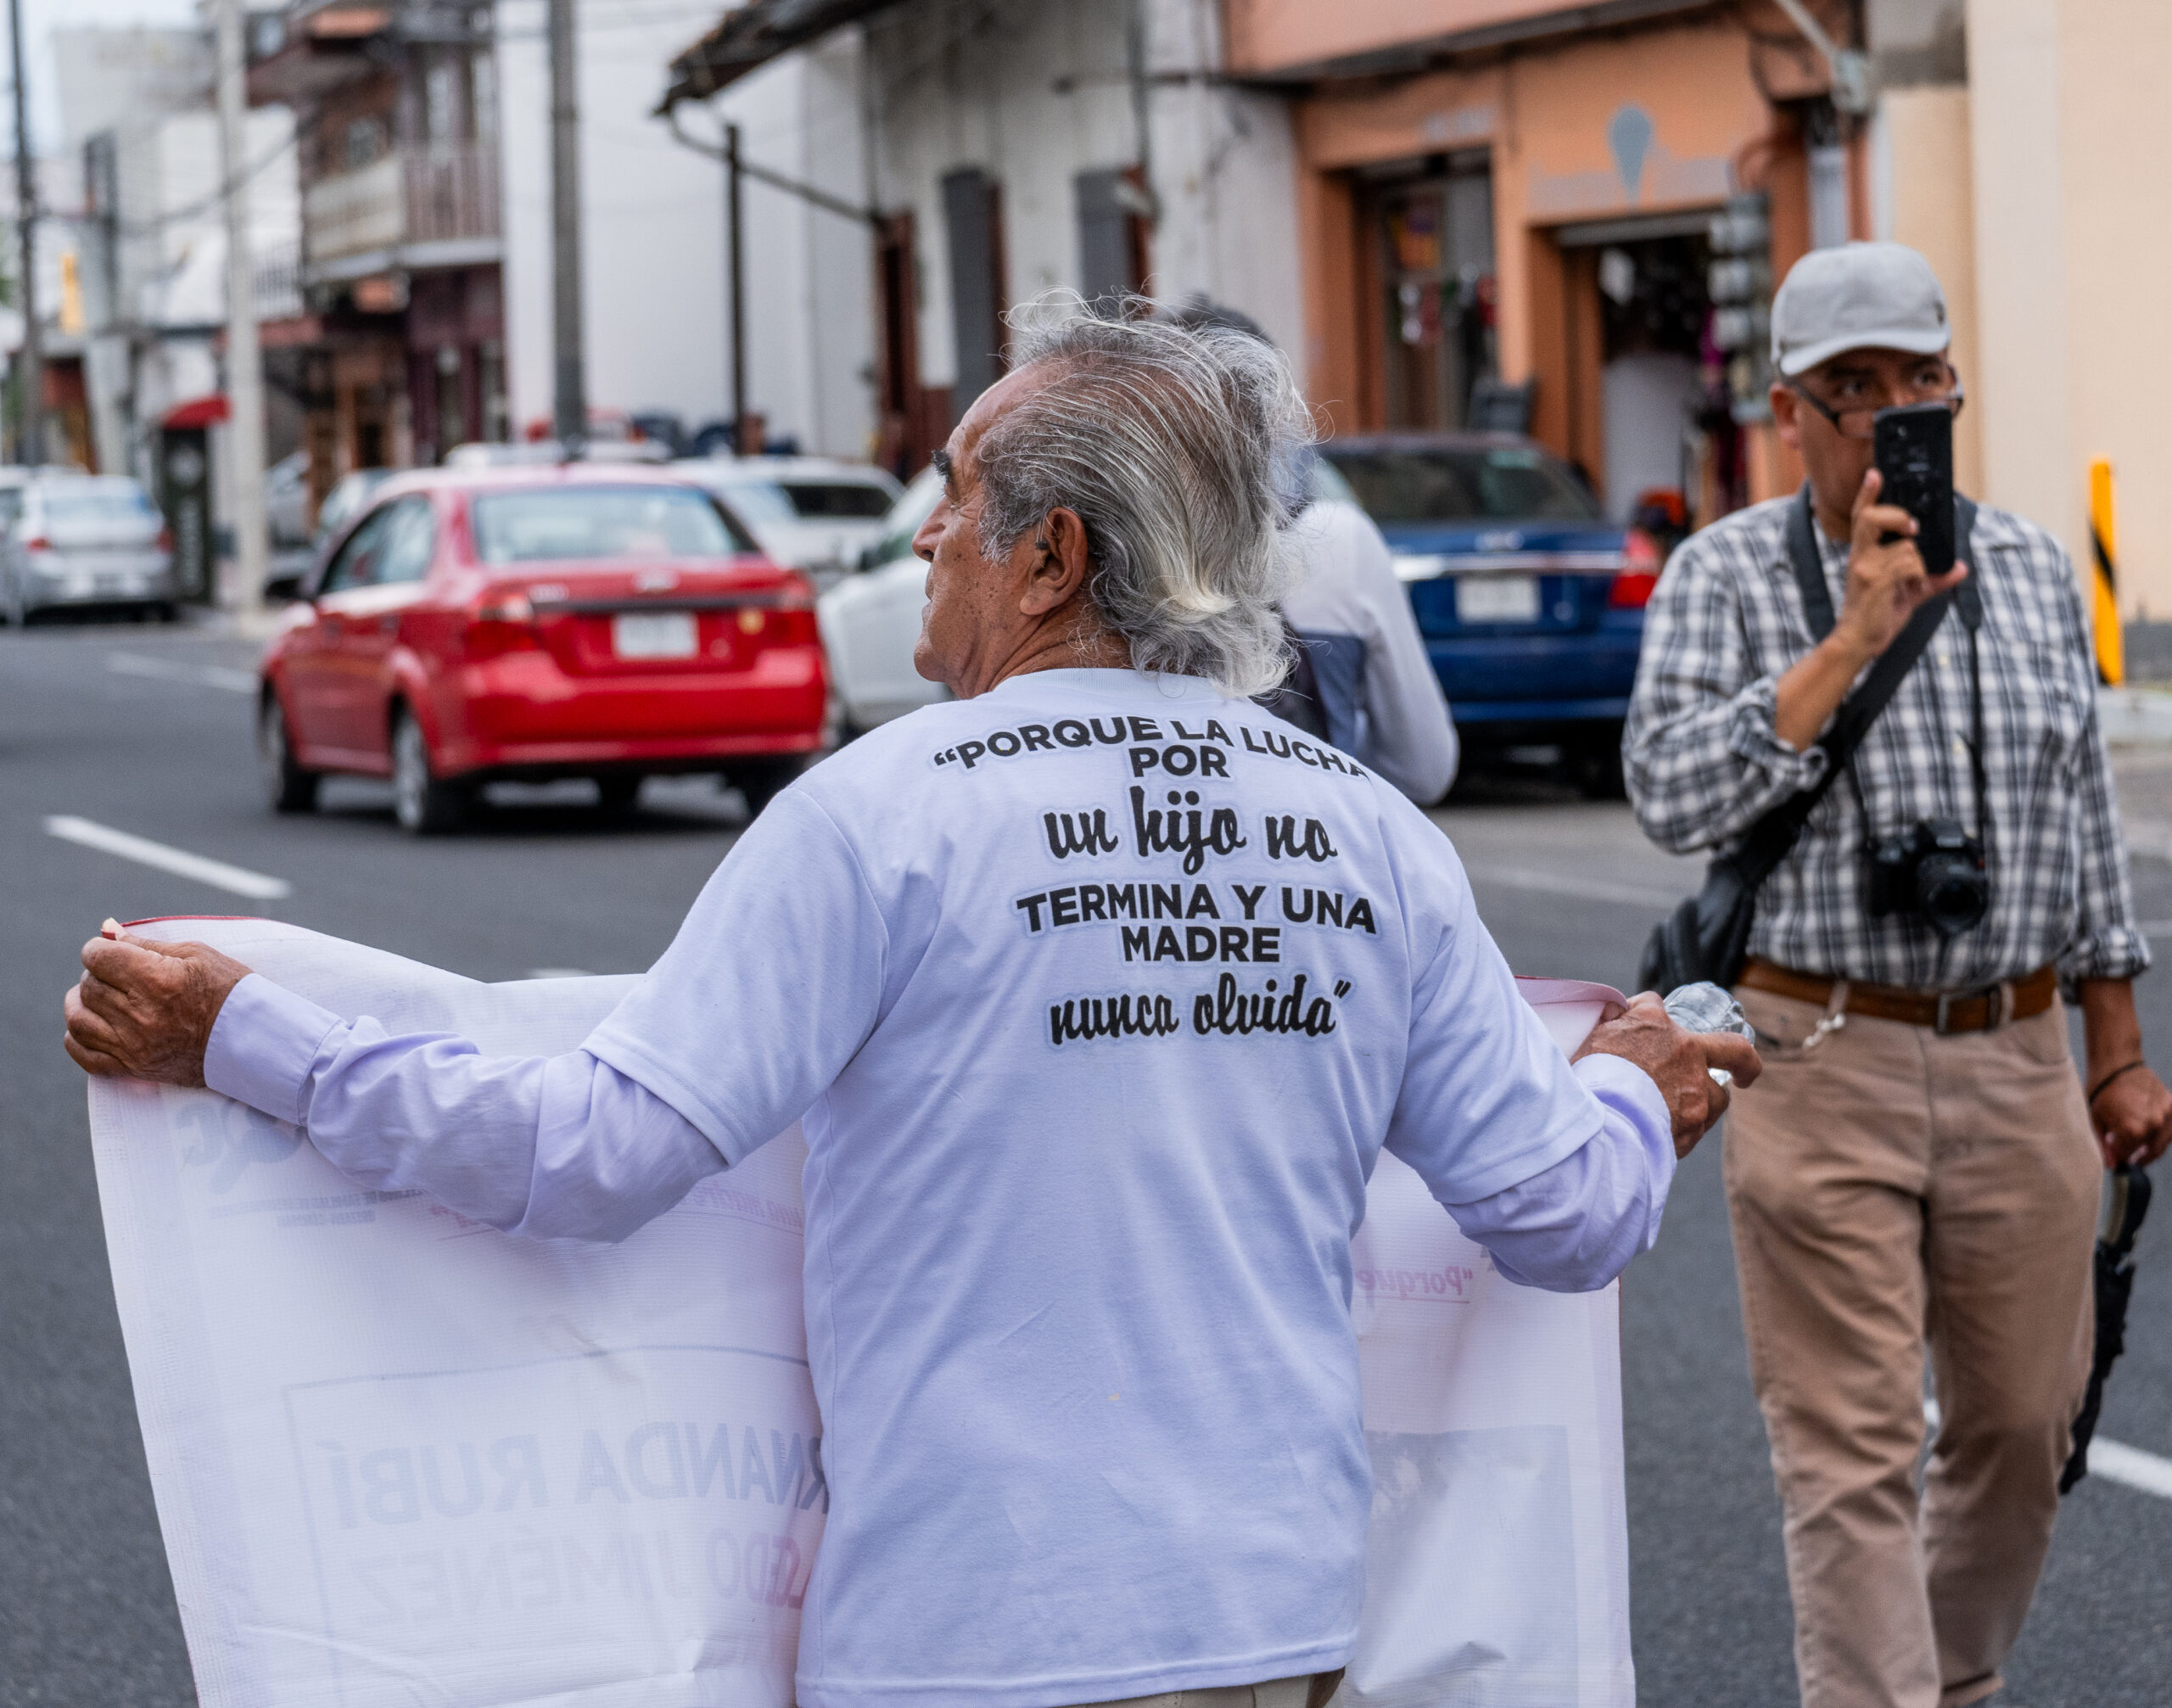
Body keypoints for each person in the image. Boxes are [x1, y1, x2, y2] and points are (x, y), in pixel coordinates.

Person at [68, 307, 1754, 1708]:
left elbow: (586, 1151)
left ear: (1055, 555)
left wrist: (244, 1031)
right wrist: (1628, 1077)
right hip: (1277, 1632)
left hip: (960, 1648)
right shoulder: (1367, 835)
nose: (928, 529)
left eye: (954, 490)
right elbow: (1564, 1207)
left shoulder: (879, 815)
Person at [1624, 241, 2172, 1708]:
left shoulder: (2039, 572)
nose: (1885, 415)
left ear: (1952, 391)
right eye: (1848, 389)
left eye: (1913, 382)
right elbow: (1670, 793)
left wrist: (2115, 1052)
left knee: (2021, 1425)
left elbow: (2081, 831)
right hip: (1817, 1049)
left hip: (2016, 1049)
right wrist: (1850, 636)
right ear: (1787, 409)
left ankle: (1951, 1676)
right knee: (1848, 1447)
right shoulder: (1724, 573)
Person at [1162, 294, 1460, 804]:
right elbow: (1425, 767)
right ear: (1275, 416)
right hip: (1315, 859)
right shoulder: (1339, 541)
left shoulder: (1104, 558)